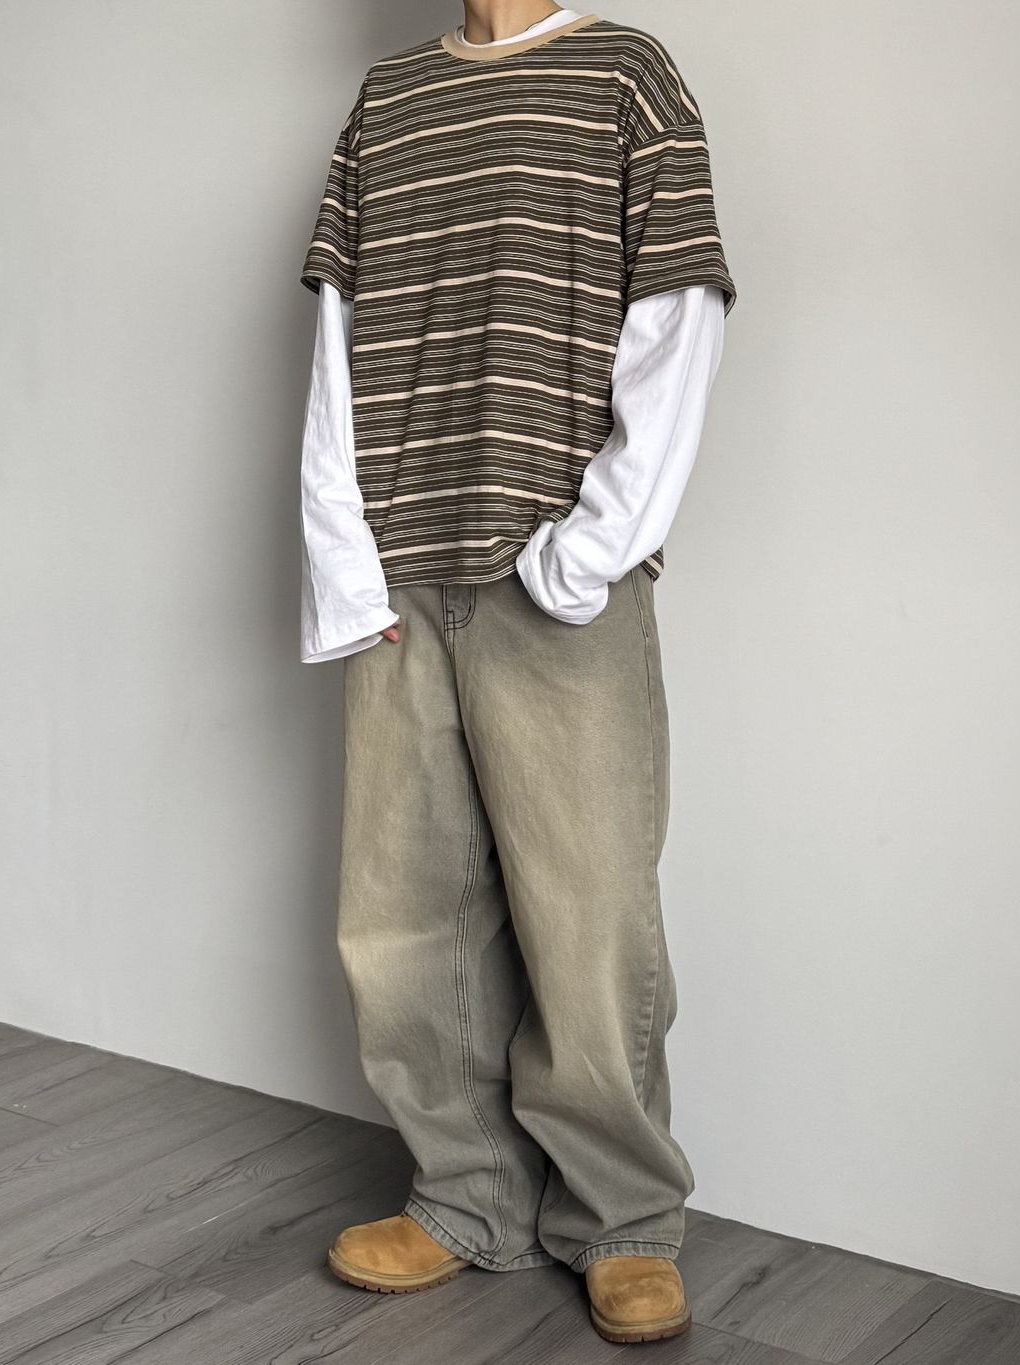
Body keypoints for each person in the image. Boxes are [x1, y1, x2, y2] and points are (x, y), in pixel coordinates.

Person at [298, 0, 736, 1344]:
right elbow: (338, 340)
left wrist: (590, 549)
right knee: (400, 915)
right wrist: (345, 566)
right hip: (399, 573)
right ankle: (464, 1194)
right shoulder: (388, 101)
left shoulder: (627, 76)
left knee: (588, 913)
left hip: (558, 575)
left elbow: (678, 320)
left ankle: (621, 1220)